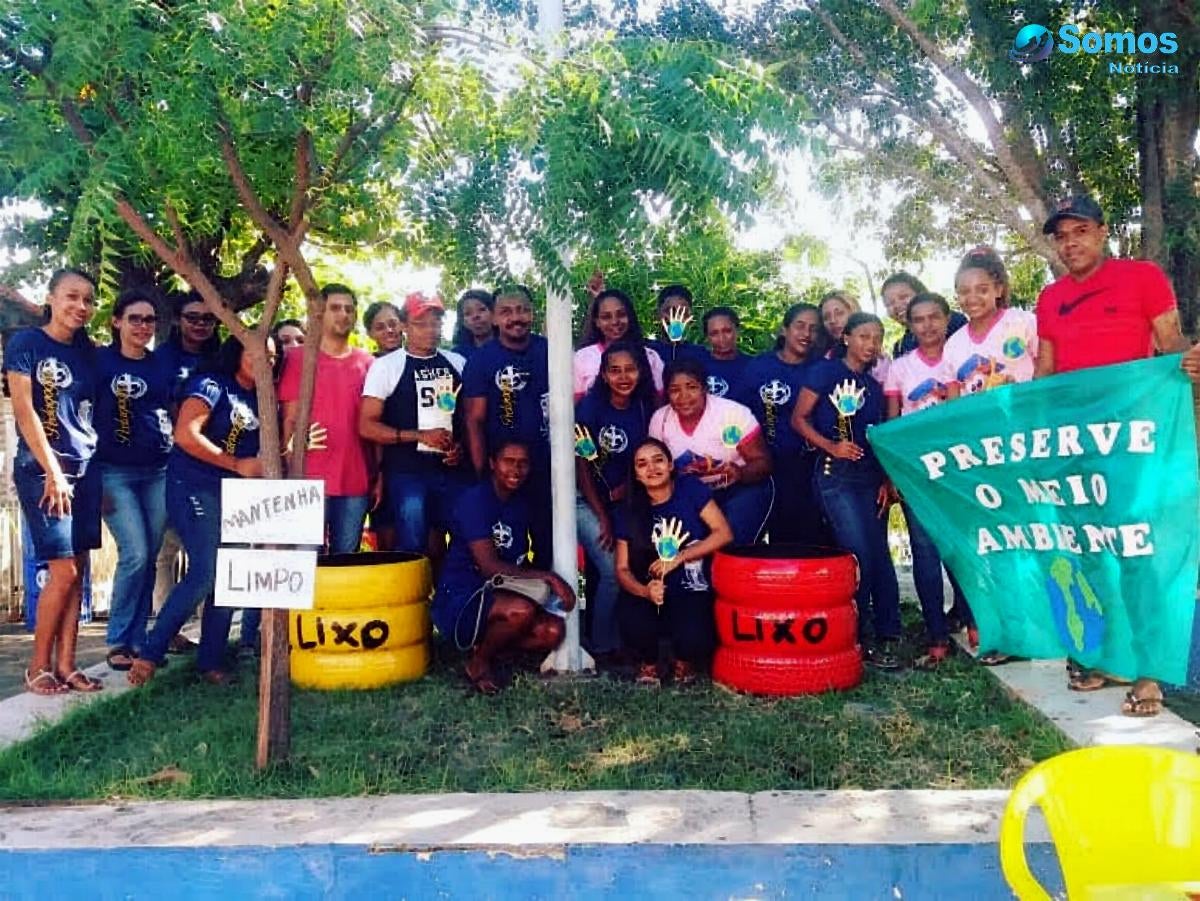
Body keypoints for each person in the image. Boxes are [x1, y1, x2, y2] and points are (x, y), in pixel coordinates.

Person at [1034, 195, 1200, 716]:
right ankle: (1106, 659)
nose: (1070, 243)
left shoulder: (1144, 277)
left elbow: (1170, 342)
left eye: (1080, 230)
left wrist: (1190, 360)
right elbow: (1045, 370)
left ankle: (1150, 674)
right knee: (1086, 550)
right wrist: (1031, 437)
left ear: (1103, 232)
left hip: (1130, 445)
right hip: (1071, 448)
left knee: (1137, 552)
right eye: (1061, 236)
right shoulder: (1050, 297)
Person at [129, 334, 281, 687]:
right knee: (207, 570)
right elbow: (185, 435)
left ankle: (210, 661)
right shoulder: (212, 384)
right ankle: (151, 653)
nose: (266, 361)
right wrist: (235, 463)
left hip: (239, 496)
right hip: (195, 485)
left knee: (231, 577)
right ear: (238, 351)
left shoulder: (264, 398)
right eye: (257, 352)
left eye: (273, 357)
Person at [4, 268, 102, 694]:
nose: (80, 306)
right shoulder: (26, 344)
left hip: (86, 469)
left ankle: (67, 665)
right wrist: (53, 472)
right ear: (51, 297)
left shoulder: (87, 352)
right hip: (43, 472)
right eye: (71, 296)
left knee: (78, 570)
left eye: (88, 300)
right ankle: (37, 667)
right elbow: (26, 412)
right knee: (61, 570)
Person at [792, 312, 903, 670]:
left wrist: (887, 479)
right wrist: (831, 446)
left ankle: (889, 632)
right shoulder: (825, 372)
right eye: (863, 336)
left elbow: (881, 438)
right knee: (858, 554)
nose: (871, 344)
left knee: (880, 555)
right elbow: (798, 419)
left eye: (877, 338)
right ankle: (859, 635)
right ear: (847, 338)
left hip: (870, 479)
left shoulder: (873, 387)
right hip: (834, 475)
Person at [431, 440, 575, 694]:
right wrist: (549, 577)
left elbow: (517, 557)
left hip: (501, 592)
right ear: (492, 464)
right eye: (509, 461)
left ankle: (490, 646)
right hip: (464, 595)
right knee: (521, 611)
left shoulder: (520, 503)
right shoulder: (475, 500)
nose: (516, 470)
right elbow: (488, 566)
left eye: (523, 463)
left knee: (552, 632)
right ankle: (479, 662)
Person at [884, 292, 977, 667]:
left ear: (946, 317)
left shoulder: (962, 357)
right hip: (917, 472)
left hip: (961, 469)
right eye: (918, 320)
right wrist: (896, 472)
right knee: (924, 553)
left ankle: (974, 621)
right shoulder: (900, 368)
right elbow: (892, 426)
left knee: (961, 549)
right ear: (909, 326)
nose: (928, 326)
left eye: (934, 317)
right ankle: (936, 634)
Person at [94, 289, 173, 672]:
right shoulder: (98, 363)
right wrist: (91, 481)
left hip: (157, 470)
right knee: (136, 553)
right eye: (135, 319)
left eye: (149, 320)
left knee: (151, 555)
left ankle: (139, 638)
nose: (143, 326)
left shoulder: (160, 366)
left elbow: (171, 411)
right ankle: (118, 639)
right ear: (117, 321)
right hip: (113, 472)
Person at [614, 438, 733, 685]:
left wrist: (679, 558)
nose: (652, 468)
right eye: (642, 464)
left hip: (691, 586)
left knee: (695, 634)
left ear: (670, 465)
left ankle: (683, 662)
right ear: (636, 474)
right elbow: (622, 569)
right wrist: (644, 591)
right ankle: (649, 665)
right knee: (631, 617)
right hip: (651, 590)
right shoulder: (629, 510)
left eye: (658, 460)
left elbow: (723, 533)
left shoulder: (690, 490)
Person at [360, 292, 468, 558]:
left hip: (452, 471)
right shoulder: (386, 367)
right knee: (412, 545)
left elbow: (469, 417)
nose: (431, 330)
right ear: (405, 326)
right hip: (407, 473)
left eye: (436, 323)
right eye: (421, 324)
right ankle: (417, 601)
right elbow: (366, 425)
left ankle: (452, 600)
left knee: (462, 543)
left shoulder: (457, 362)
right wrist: (418, 435)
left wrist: (461, 447)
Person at [278, 283, 374, 554]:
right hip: (308, 477)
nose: (343, 314)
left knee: (345, 562)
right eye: (335, 308)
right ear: (319, 313)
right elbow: (289, 419)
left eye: (349, 309)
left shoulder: (368, 363)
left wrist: (377, 476)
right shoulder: (298, 358)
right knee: (305, 562)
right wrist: (287, 463)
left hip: (356, 478)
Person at [574, 341, 656, 657]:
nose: (623, 377)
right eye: (615, 370)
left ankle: (628, 636)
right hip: (586, 500)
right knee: (611, 570)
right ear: (604, 375)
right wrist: (604, 516)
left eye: (630, 369)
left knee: (634, 564)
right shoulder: (590, 409)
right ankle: (603, 644)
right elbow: (582, 468)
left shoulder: (643, 407)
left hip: (626, 501)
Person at [462, 286, 553, 566]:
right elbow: (474, 420)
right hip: (502, 470)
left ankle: (548, 604)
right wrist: (481, 474)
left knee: (547, 539)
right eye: (506, 311)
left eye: (522, 310)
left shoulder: (550, 351)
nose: (516, 317)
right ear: (494, 319)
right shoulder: (482, 359)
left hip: (546, 464)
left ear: (532, 313)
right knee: (504, 544)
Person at [152, 291, 221, 648]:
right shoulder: (162, 358)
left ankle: (213, 630)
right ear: (179, 320)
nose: (199, 324)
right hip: (165, 461)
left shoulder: (221, 358)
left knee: (208, 556)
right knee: (164, 550)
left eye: (208, 319)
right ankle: (168, 630)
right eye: (192, 317)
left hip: (211, 465)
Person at [649, 358, 773, 545]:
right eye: (675, 390)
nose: (684, 397)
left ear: (704, 387)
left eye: (691, 387)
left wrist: (739, 473)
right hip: (689, 495)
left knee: (731, 538)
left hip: (736, 490)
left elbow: (763, 462)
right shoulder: (660, 420)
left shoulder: (733, 413)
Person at [736, 303, 829, 545]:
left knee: (813, 535)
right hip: (767, 465)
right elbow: (739, 414)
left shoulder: (821, 369)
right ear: (784, 330)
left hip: (811, 466)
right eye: (800, 326)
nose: (806, 334)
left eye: (814, 329)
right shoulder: (759, 367)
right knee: (779, 538)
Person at [945, 246, 1038, 398]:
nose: (972, 298)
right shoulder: (952, 346)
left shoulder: (1023, 322)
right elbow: (955, 406)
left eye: (982, 290)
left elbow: (1047, 371)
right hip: (980, 421)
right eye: (964, 291)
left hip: (1028, 418)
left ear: (998, 290)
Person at [573, 288, 664, 398]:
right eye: (606, 317)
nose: (615, 321)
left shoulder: (651, 357)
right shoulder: (583, 357)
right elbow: (574, 405)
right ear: (597, 322)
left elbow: (659, 404)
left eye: (621, 314)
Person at [881, 272, 967, 357]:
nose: (897, 305)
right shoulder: (900, 347)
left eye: (903, 297)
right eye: (889, 303)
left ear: (921, 293)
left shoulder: (953, 321)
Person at [645, 284, 709, 366]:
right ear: (658, 315)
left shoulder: (701, 355)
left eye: (682, 312)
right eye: (669, 311)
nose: (675, 318)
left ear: (689, 317)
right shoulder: (646, 351)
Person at [702, 306, 752, 398]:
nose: (721, 338)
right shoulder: (697, 366)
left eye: (727, 331)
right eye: (714, 333)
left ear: (737, 330)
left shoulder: (753, 367)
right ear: (707, 337)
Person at [450, 288, 495, 361]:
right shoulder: (456, 356)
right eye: (468, 313)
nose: (475, 316)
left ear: (493, 313)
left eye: (481, 309)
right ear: (463, 322)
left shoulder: (511, 347)